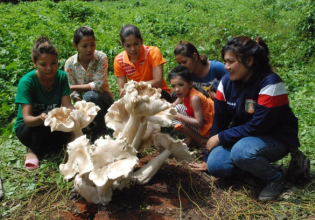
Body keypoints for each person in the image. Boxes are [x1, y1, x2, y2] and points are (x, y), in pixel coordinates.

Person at [189, 36, 300, 201]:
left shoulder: (270, 83)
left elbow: (259, 126)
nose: (226, 67)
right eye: (225, 62)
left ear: (249, 61)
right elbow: (220, 120)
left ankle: (275, 178)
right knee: (216, 166)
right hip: (243, 136)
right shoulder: (226, 82)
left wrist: (221, 137)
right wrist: (207, 157)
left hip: (275, 137)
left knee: (242, 153)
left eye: (231, 62)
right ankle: (250, 170)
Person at [14, 36, 74, 170]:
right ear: (34, 62)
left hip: (51, 124)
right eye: (43, 64)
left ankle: (49, 144)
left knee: (64, 136)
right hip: (28, 130)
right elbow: (28, 120)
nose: (49, 68)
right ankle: (33, 150)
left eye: (53, 63)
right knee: (48, 113)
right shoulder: (27, 82)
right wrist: (43, 119)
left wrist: (78, 115)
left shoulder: (61, 77)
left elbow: (67, 105)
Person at [64, 26, 114, 135]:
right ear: (75, 46)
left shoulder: (101, 58)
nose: (89, 49)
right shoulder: (70, 64)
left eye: (92, 45)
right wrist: (78, 101)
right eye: (84, 46)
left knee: (90, 95)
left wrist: (72, 87)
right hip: (84, 102)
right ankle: (88, 126)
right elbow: (73, 91)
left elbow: (96, 85)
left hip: (104, 101)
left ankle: (100, 130)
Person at [114, 24, 173, 103]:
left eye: (136, 44)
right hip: (136, 96)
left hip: (158, 93)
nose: (133, 49)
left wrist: (133, 87)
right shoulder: (119, 60)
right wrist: (132, 90)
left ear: (141, 41)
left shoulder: (153, 52)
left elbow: (158, 82)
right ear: (123, 45)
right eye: (128, 46)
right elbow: (122, 90)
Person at [169, 65, 214, 148]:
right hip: (202, 122)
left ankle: (201, 141)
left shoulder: (195, 98)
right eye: (173, 86)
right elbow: (174, 104)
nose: (177, 89)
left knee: (173, 120)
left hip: (207, 128)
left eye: (180, 85)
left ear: (190, 84)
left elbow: (199, 123)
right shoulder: (185, 92)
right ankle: (192, 138)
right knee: (175, 110)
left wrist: (179, 116)